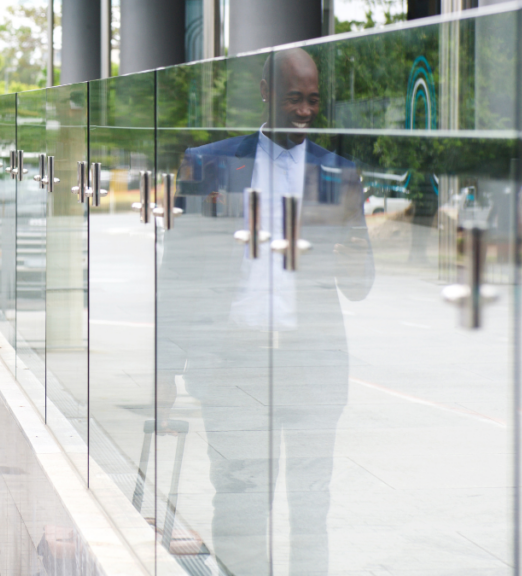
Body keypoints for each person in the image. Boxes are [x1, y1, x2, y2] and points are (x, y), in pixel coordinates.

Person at [160, 48, 373, 575]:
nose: (304, 111)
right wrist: (164, 368)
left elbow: (360, 284)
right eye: (294, 99)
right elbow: (180, 273)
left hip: (312, 370)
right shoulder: (209, 165)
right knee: (238, 505)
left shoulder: (337, 172)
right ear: (265, 92)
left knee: (310, 508)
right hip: (233, 366)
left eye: (313, 101)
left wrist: (353, 263)